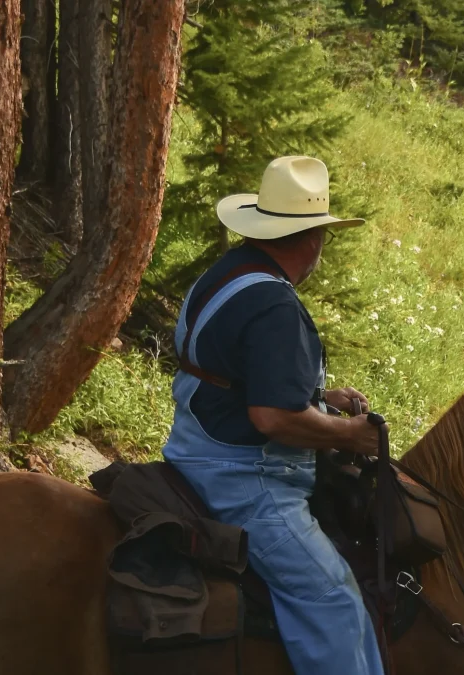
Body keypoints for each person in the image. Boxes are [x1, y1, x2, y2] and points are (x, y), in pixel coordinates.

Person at [161, 156, 385, 675]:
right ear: (312, 240)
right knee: (334, 598)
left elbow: (235, 376)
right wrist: (349, 435)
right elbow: (272, 418)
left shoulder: (225, 275)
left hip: (192, 452)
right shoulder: (276, 306)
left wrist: (318, 401)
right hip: (247, 481)